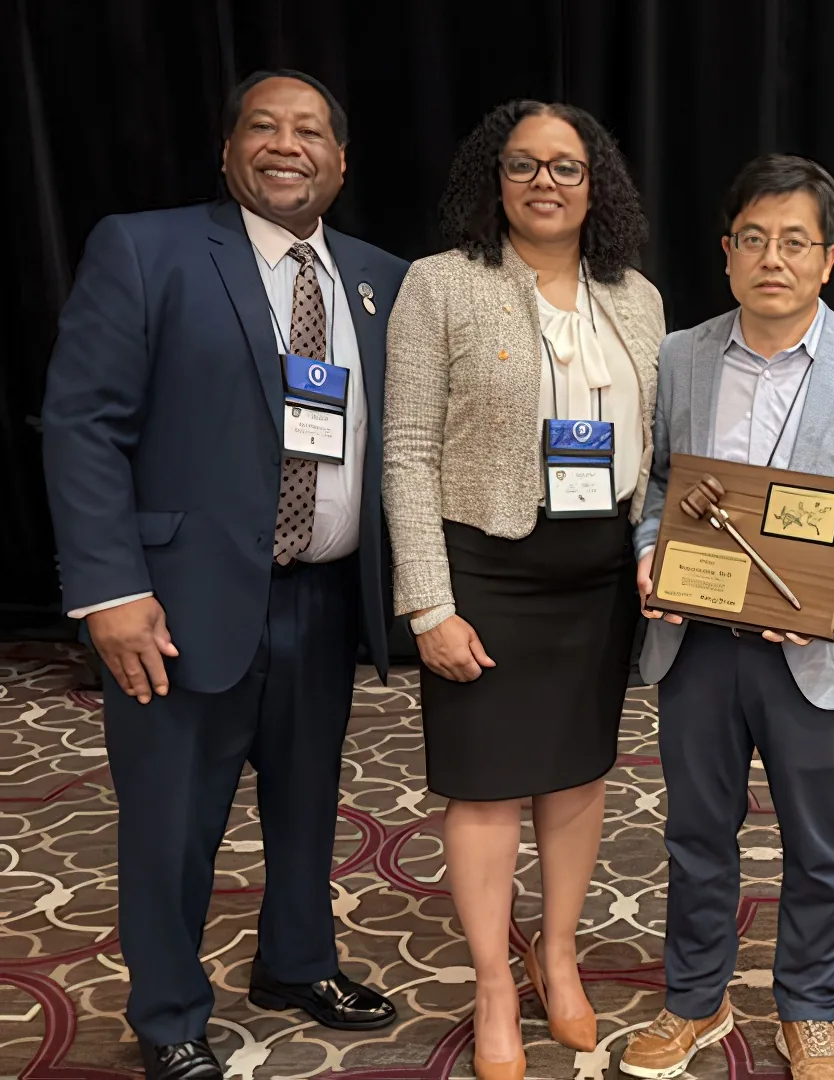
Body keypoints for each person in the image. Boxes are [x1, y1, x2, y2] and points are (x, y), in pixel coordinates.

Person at [39, 70, 403, 1080]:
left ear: (339, 161)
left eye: (311, 132)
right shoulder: (145, 249)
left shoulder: (381, 278)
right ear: (229, 148)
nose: (287, 146)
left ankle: (295, 962)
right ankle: (166, 1014)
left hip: (326, 599)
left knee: (306, 802)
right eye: (264, 126)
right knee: (171, 822)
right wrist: (108, 590)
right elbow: (82, 427)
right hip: (174, 606)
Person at [618, 155, 834, 1080]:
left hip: (813, 647)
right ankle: (695, 1001)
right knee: (695, 832)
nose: (774, 258)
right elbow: (661, 484)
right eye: (754, 239)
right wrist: (648, 549)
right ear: (727, 253)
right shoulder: (681, 354)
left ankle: (808, 1005)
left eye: (795, 242)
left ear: (828, 259)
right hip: (695, 644)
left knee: (818, 844)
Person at [383, 100, 664, 1080]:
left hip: (598, 578)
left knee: (578, 775)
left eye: (567, 167)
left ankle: (556, 954)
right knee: (487, 786)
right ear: (492, 180)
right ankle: (493, 986)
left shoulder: (637, 297)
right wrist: (429, 602)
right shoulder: (440, 287)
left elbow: (656, 452)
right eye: (524, 165)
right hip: (486, 571)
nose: (546, 182)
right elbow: (408, 455)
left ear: (599, 186)